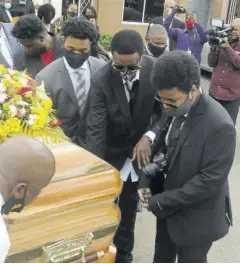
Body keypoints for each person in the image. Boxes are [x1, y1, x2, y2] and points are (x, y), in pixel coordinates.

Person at [134, 51, 235, 263]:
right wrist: (145, 179)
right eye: (161, 100)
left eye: (171, 101)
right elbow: (163, 152)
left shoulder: (219, 125)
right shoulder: (173, 107)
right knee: (161, 257)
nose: (165, 107)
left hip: (197, 219)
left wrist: (161, 202)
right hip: (167, 213)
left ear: (193, 91)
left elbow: (209, 181)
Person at [85, 29, 158, 263]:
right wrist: (97, 173)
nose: (125, 73)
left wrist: (149, 135)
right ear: (111, 57)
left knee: (128, 212)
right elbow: (95, 128)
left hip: (139, 156)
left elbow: (164, 113)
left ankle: (124, 257)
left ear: (142, 59)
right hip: (111, 153)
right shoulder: (101, 79)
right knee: (103, 213)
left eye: (132, 68)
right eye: (119, 67)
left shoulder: (156, 71)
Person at [35, 18, 105, 147]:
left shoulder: (102, 69)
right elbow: (43, 121)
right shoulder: (45, 78)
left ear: (91, 46)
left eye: (83, 51)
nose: (76, 54)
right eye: (71, 49)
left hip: (97, 144)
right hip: (62, 144)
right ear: (62, 43)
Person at [208, 18, 240, 125]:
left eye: (235, 29)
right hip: (214, 91)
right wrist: (213, 49)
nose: (232, 31)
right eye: (231, 28)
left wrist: (228, 48)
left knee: (227, 125)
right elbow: (211, 63)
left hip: (231, 96)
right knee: (210, 122)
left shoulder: (228, 44)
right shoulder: (222, 39)